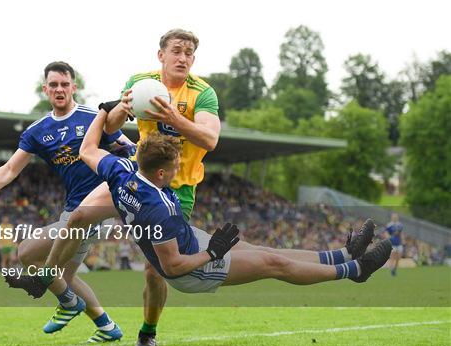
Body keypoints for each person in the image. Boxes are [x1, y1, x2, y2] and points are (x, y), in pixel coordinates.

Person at [23, 28, 221, 346]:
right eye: (176, 51)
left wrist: (173, 116)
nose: (182, 57)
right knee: (78, 216)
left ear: (193, 59)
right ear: (162, 55)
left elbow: (210, 140)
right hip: (134, 173)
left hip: (173, 190)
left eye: (188, 53)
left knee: (154, 271)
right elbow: (112, 127)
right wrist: (120, 107)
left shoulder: (203, 93)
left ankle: (147, 332)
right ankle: (49, 275)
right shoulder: (141, 82)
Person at [80, 113, 392, 297]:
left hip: (186, 239)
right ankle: (355, 269)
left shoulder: (121, 172)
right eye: (175, 166)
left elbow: (87, 149)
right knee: (273, 265)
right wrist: (211, 254)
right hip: (190, 268)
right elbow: (171, 266)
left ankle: (343, 253)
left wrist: (103, 113)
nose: (178, 170)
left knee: (267, 253)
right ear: (160, 172)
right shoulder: (157, 208)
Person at [0, 61, 128, 343]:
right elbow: (10, 169)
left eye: (64, 84)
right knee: (66, 278)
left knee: (26, 252)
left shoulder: (93, 117)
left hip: (93, 209)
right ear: (45, 89)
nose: (59, 89)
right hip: (72, 209)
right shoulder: (37, 130)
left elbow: (126, 146)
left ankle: (69, 304)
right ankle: (107, 328)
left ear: (74, 87)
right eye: (54, 85)